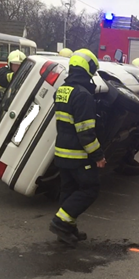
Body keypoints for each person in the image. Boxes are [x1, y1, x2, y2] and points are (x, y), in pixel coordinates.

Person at [50, 48, 106, 246]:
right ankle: (60, 222)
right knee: (90, 189)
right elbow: (85, 131)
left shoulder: (62, 90)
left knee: (69, 189)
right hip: (78, 155)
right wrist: (98, 155)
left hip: (61, 152)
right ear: (88, 68)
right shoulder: (83, 95)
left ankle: (67, 229)